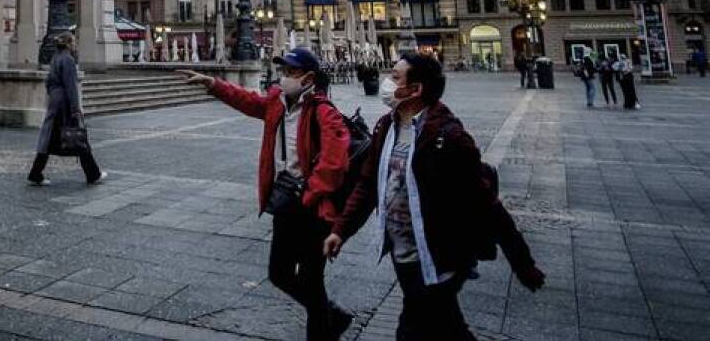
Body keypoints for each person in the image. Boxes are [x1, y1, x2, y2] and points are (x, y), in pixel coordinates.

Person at [322, 53, 545, 340]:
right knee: (448, 327)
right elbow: (368, 185)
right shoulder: (386, 127)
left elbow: (487, 204)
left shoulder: (448, 137)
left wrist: (522, 263)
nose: (387, 82)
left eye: (395, 77)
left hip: (438, 255)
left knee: (414, 328)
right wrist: (341, 231)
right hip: (403, 253)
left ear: (416, 90)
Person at [178, 47, 353, 341]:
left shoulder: (323, 111)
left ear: (309, 78)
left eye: (291, 72)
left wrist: (310, 194)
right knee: (279, 273)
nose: (283, 77)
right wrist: (213, 84)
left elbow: (336, 162)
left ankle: (324, 329)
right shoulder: (277, 103)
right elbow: (248, 101)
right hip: (286, 202)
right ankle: (331, 315)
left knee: (311, 281)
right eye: (283, 71)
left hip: (313, 209)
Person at [27, 33, 107, 186]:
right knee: (79, 138)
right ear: (69, 44)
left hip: (54, 101)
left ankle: (35, 173)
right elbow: (71, 86)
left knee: (49, 138)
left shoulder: (55, 58)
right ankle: (93, 174)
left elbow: (48, 82)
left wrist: (53, 95)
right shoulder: (68, 60)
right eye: (75, 42)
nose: (76, 45)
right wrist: (75, 108)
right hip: (64, 104)